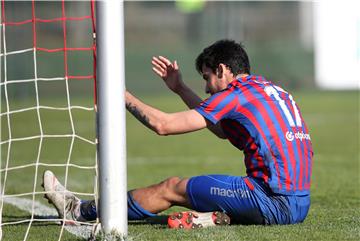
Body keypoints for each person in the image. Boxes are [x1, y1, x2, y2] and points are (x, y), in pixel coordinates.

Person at [43, 39, 313, 229]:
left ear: (222, 70)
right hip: (300, 203)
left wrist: (121, 95)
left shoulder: (235, 95)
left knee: (171, 188)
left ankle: (79, 210)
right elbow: (220, 129)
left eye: (207, 78)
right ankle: (216, 216)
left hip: (272, 201)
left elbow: (164, 126)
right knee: (197, 189)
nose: (207, 88)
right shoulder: (266, 89)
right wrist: (181, 89)